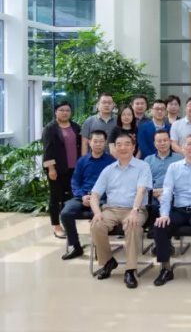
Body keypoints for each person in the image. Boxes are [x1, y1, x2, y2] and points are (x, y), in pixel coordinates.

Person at [152, 133, 191, 287]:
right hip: (179, 209)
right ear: (182, 147)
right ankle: (166, 268)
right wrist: (164, 214)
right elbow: (167, 192)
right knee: (159, 226)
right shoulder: (173, 167)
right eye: (189, 144)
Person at [89, 133, 152, 289]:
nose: (123, 147)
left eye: (126, 144)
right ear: (114, 148)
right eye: (119, 145)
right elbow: (94, 195)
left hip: (135, 209)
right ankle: (108, 261)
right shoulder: (108, 170)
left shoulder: (143, 166)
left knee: (132, 225)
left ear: (133, 147)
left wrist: (134, 211)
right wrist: (97, 213)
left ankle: (130, 269)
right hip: (111, 209)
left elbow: (141, 190)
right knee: (96, 225)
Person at [61, 130, 116, 259]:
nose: (98, 144)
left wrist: (96, 197)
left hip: (102, 199)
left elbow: (114, 184)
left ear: (105, 143)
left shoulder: (111, 162)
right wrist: (83, 196)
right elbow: (75, 182)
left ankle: (99, 247)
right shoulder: (82, 161)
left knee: (99, 216)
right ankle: (76, 247)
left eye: (101, 141)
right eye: (95, 141)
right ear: (90, 142)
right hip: (83, 197)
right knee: (66, 213)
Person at [42, 101, 82, 239]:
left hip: (73, 168)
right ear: (55, 112)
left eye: (67, 110)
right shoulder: (50, 128)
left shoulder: (75, 126)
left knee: (68, 198)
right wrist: (51, 169)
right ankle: (57, 226)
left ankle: (67, 225)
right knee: (55, 197)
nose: (65, 113)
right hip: (56, 169)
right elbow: (47, 150)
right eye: (62, 110)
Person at [144, 129, 184, 243]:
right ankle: (159, 237)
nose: (162, 143)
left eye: (165, 140)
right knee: (152, 206)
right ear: (154, 143)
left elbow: (182, 181)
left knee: (170, 206)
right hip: (153, 193)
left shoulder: (179, 158)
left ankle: (164, 240)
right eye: (159, 141)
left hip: (174, 193)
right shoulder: (148, 160)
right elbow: (145, 181)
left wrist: (164, 192)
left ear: (170, 141)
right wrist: (154, 192)